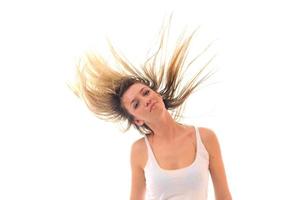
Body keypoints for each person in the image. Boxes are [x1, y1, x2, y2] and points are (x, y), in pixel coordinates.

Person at [68, 17, 232, 200]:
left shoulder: (205, 138)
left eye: (145, 93)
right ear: (137, 119)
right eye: (136, 104)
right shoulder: (139, 151)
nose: (145, 100)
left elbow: (224, 197)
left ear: (157, 94)